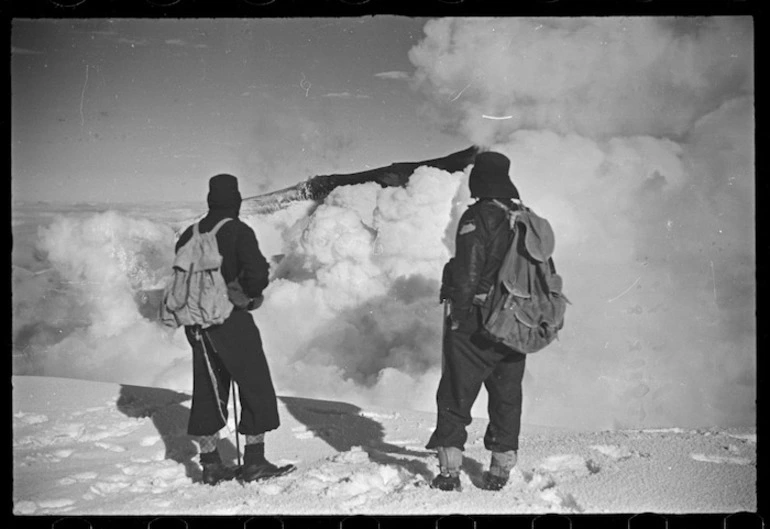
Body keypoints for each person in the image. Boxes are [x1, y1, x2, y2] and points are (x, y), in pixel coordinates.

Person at [176, 173, 294, 486]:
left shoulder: (189, 233)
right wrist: (246, 295)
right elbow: (257, 273)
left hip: (197, 323)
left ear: (210, 200)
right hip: (231, 319)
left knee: (208, 391)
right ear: (235, 200)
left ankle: (211, 465)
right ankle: (254, 462)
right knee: (255, 386)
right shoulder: (238, 231)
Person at [427, 151, 526, 492]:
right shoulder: (525, 217)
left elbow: (469, 272)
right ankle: (500, 469)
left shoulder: (478, 216)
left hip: (479, 319)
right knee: (506, 394)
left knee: (456, 391)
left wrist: (461, 315)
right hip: (517, 321)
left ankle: (449, 472)